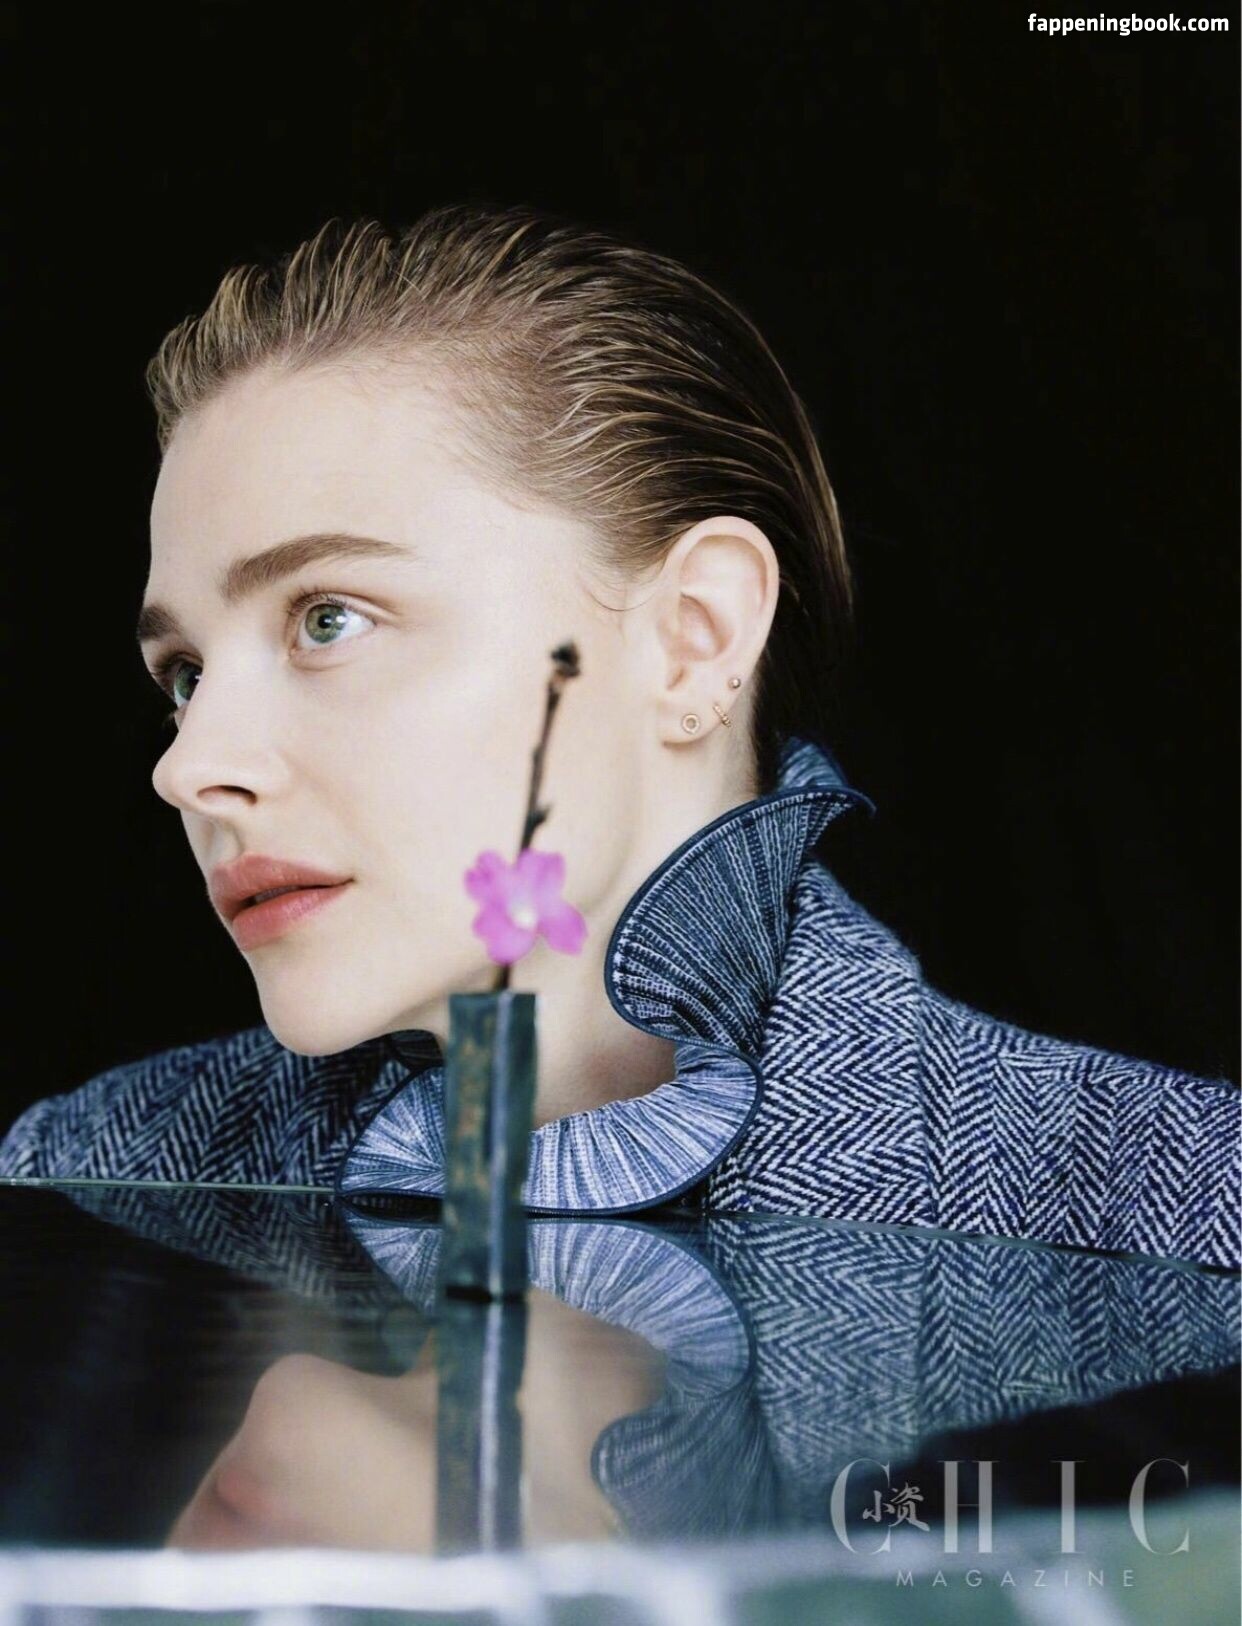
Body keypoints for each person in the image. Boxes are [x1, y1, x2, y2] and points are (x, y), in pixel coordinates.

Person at [0, 204, 1236, 1269]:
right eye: (185, 675)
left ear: (694, 637)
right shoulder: (89, 1180)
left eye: (329, 618)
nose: (189, 766)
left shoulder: (1169, 1211)